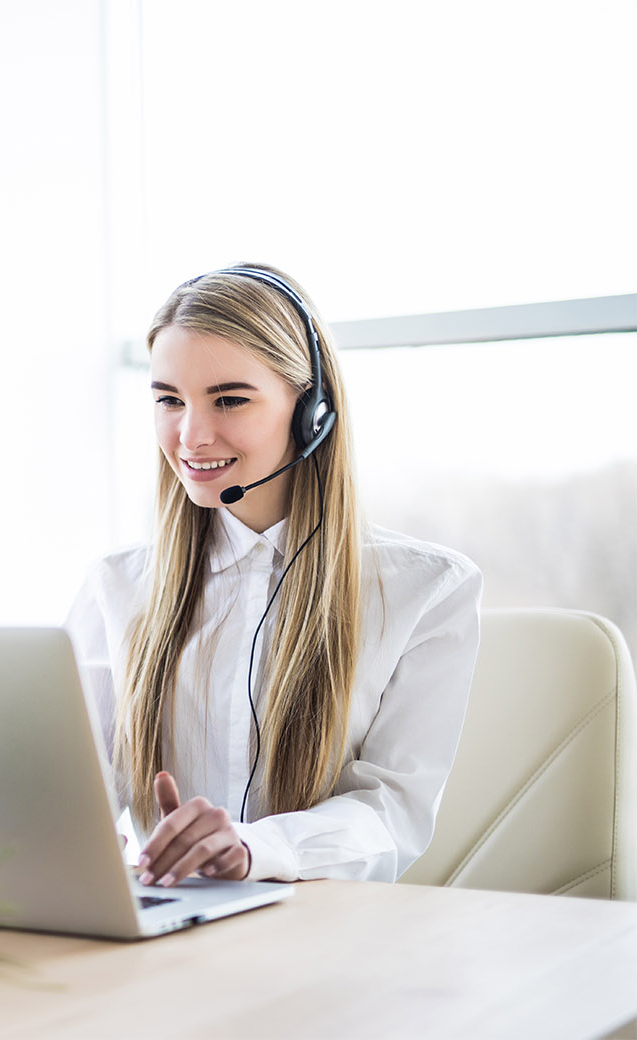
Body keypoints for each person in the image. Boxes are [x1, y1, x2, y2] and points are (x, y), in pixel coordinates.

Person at [66, 263, 482, 885]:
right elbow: (72, 791)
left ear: (312, 411)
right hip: (164, 937)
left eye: (229, 399)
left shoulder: (425, 591)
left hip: (325, 938)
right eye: (169, 401)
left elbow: (394, 810)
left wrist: (259, 848)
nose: (191, 435)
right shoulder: (116, 586)